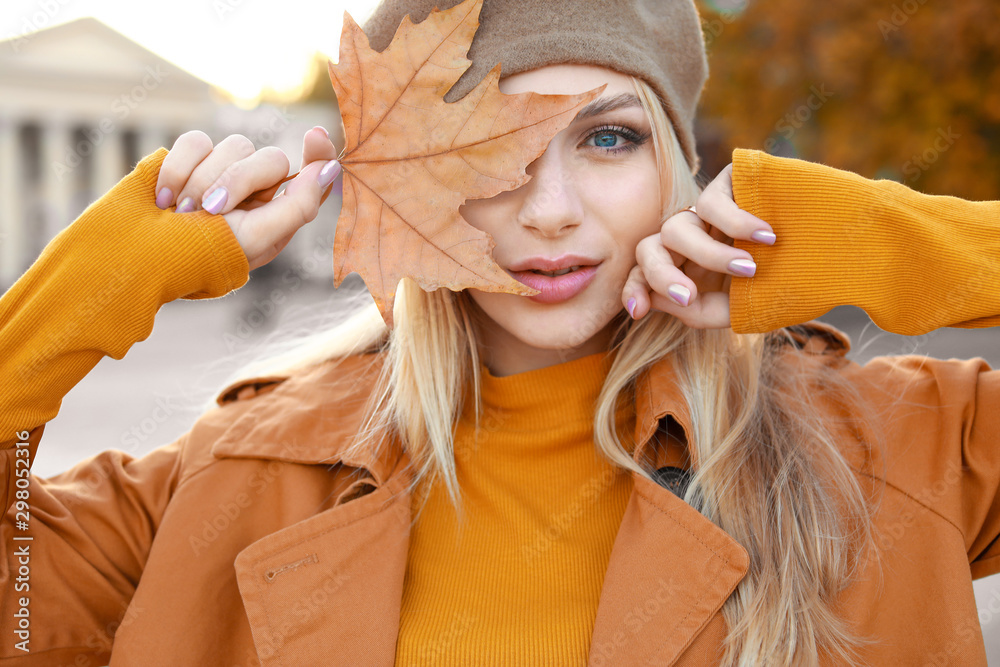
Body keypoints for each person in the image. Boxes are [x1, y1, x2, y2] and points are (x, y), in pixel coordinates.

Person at [2, 0, 999, 664]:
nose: (550, 209)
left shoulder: (900, 445)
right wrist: (93, 287)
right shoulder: (234, 480)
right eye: (485, 149)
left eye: (608, 137)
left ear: (674, 168)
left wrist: (886, 240)